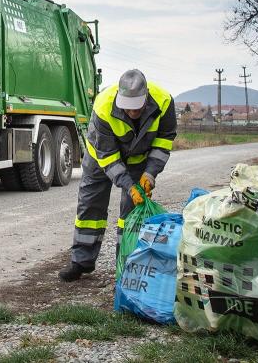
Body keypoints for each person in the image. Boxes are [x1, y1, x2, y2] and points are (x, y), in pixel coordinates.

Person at [59, 69, 177, 282]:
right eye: (127, 108)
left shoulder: (164, 102)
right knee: (90, 205)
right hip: (100, 159)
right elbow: (109, 157)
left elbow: (164, 142)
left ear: (146, 97)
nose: (132, 112)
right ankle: (81, 262)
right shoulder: (103, 105)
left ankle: (127, 265)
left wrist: (150, 174)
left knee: (132, 213)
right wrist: (128, 186)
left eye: (136, 109)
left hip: (139, 162)